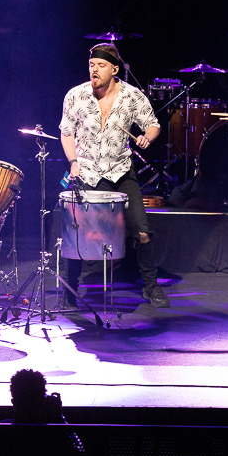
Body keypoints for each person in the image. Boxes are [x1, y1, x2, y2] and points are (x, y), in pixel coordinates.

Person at [60, 44, 169, 308]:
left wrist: (146, 137)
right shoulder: (76, 95)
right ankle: (70, 289)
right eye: (91, 65)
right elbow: (67, 132)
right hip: (87, 171)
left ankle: (150, 286)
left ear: (115, 69)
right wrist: (73, 162)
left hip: (120, 171)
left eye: (101, 65)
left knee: (142, 231)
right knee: (78, 233)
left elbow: (153, 124)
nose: (94, 70)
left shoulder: (132, 96)